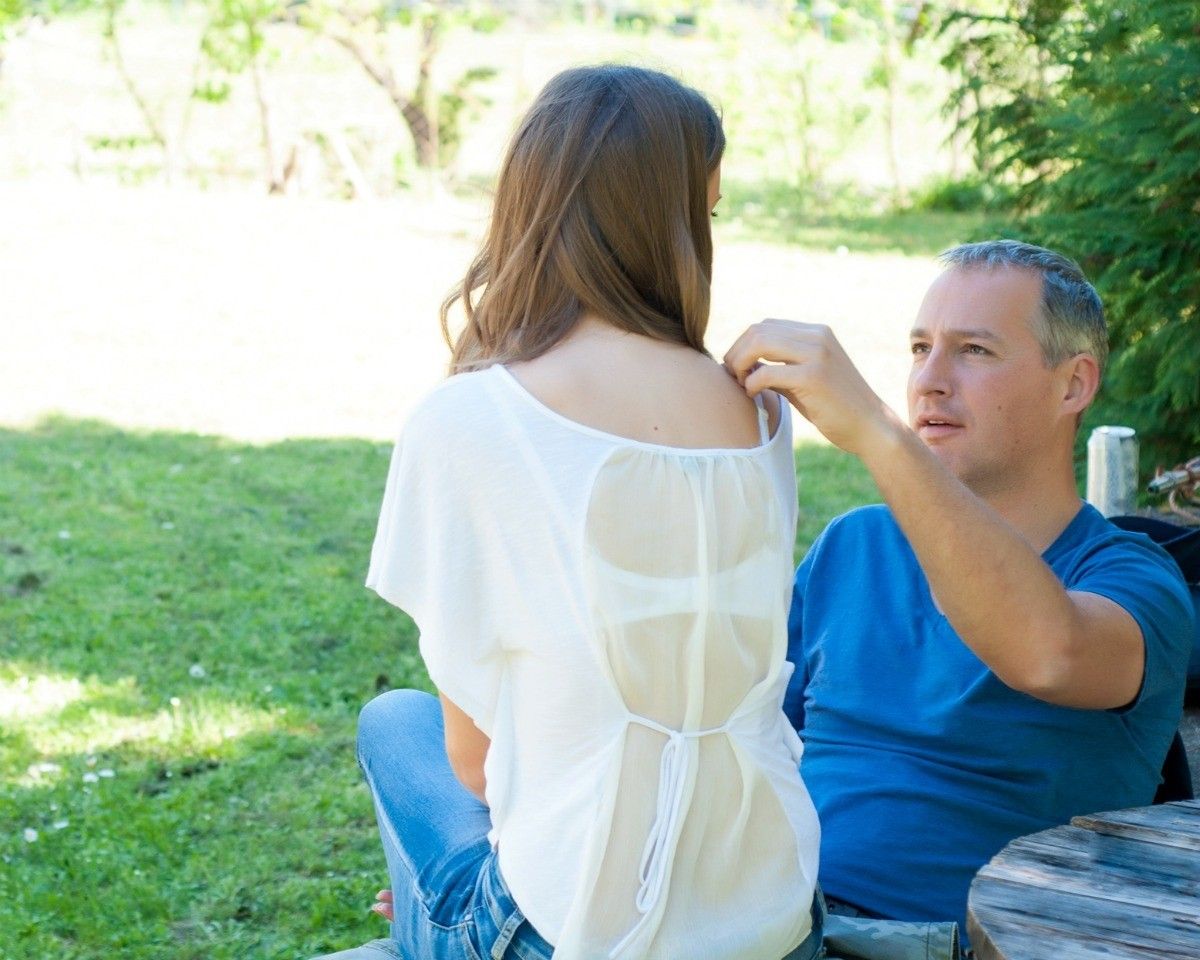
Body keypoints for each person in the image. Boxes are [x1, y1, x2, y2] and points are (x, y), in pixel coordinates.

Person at [315, 65, 825, 960]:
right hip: (777, 920)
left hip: (574, 933)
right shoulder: (761, 413)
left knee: (393, 725)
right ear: (668, 226)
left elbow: (472, 766)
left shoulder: (469, 419)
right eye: (704, 214)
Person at [722, 239, 1195, 944]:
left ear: (1073, 385)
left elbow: (1048, 653)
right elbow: (741, 737)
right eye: (919, 348)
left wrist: (882, 436)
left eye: (973, 350)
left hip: (968, 941)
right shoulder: (853, 548)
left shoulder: (1135, 581)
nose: (930, 382)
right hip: (782, 921)